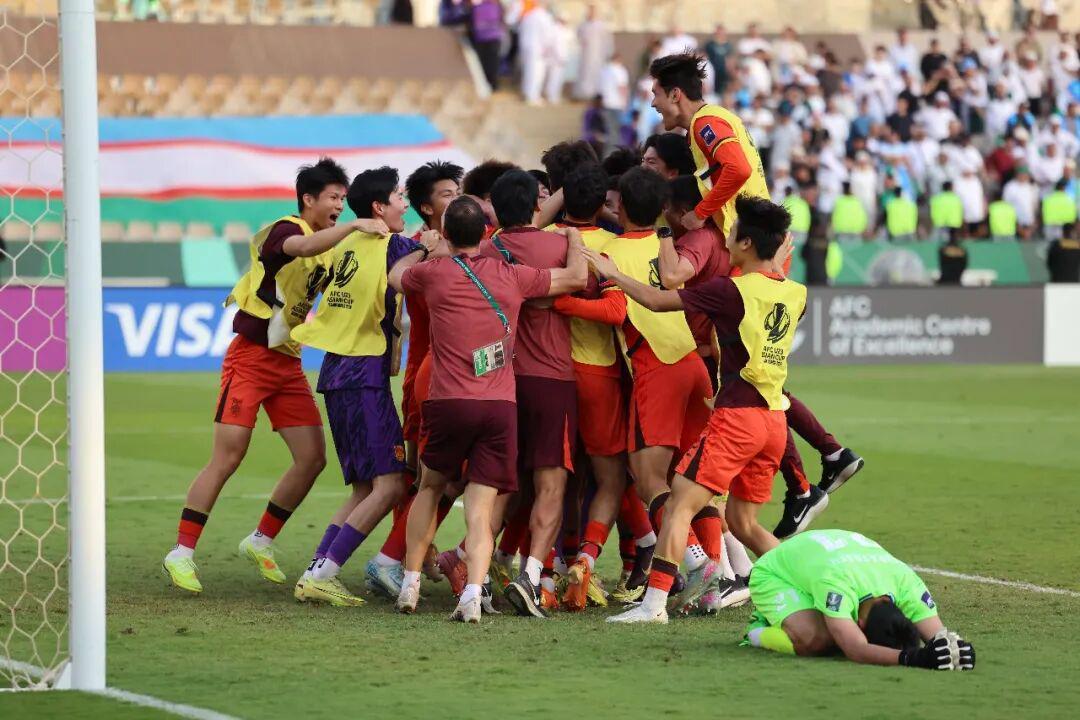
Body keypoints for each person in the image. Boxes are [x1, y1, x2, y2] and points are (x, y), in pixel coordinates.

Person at [162, 159, 372, 594]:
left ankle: (260, 540)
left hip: (288, 363)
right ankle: (181, 552)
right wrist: (355, 227)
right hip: (251, 359)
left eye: (343, 198)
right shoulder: (285, 230)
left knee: (312, 458)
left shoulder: (331, 244)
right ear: (308, 199)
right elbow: (302, 249)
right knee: (228, 456)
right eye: (333, 197)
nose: (340, 206)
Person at [595, 196, 805, 624]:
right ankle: (808, 587)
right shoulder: (796, 292)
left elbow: (657, 301)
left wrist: (613, 274)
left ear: (746, 243)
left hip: (738, 419)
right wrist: (775, 260)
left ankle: (653, 606)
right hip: (773, 423)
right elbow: (771, 294)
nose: (725, 238)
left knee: (677, 506)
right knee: (744, 523)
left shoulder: (731, 290)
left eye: (732, 232)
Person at [390, 195, 587, 622]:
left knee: (429, 488)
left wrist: (425, 248)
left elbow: (395, 276)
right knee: (481, 509)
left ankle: (410, 584)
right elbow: (575, 276)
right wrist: (573, 237)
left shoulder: (433, 273)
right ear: (485, 233)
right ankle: (472, 595)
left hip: (446, 402)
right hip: (498, 405)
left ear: (446, 233)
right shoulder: (511, 275)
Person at [553, 167, 713, 607]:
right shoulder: (670, 246)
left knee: (646, 479)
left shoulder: (608, 250)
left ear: (619, 205)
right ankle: (716, 576)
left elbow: (613, 311)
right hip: (692, 363)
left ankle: (696, 560)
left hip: (655, 368)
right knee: (692, 476)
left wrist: (559, 302)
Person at [290, 167, 437, 606]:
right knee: (391, 485)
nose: (404, 205)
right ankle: (325, 573)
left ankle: (316, 569)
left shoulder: (346, 242)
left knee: (363, 488)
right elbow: (436, 253)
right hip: (363, 374)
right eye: (398, 197)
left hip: (336, 372)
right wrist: (430, 244)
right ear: (378, 206)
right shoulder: (398, 247)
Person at [473, 170, 580, 619]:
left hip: (501, 379)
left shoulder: (485, 250)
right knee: (550, 484)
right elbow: (581, 281)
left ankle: (477, 577)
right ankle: (532, 576)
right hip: (553, 378)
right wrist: (574, 237)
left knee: (500, 485)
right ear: (538, 204)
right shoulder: (558, 246)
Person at [363, 160, 465, 599]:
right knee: (435, 478)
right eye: (447, 194)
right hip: (431, 375)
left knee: (428, 478)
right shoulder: (425, 250)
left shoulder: (456, 241)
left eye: (459, 191)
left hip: (439, 373)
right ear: (426, 207)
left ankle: (409, 555)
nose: (456, 199)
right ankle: (393, 558)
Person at [544, 162, 623, 611]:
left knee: (553, 478)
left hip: (550, 373)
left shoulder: (542, 239)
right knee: (610, 478)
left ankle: (549, 570)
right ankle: (586, 560)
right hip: (598, 374)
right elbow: (617, 311)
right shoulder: (611, 245)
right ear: (601, 204)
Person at [742, 529, 975, 672]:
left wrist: (958, 650)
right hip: (776, 571)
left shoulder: (908, 585)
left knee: (836, 630)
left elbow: (939, 635)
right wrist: (911, 658)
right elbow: (856, 649)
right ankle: (758, 628)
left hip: (825, 554)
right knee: (817, 640)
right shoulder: (837, 586)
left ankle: (799, 612)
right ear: (860, 625)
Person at [648, 52, 770, 239]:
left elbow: (739, 169)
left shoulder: (706, 123)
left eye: (656, 94)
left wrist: (700, 213)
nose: (653, 103)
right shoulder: (705, 122)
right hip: (753, 234)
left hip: (752, 238)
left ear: (675, 95)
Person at [574, 4, 612, 100]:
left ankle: (595, 93)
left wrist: (607, 53)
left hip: (597, 54)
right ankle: (583, 93)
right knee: (584, 73)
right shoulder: (583, 25)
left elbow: (607, 40)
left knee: (595, 73)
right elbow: (578, 36)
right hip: (585, 54)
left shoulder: (601, 25)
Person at [468, 0, 504, 91]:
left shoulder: (476, 7)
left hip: (481, 38)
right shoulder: (496, 6)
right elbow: (501, 19)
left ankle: (486, 85)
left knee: (483, 63)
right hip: (493, 38)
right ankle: (493, 85)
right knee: (492, 63)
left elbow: (471, 22)